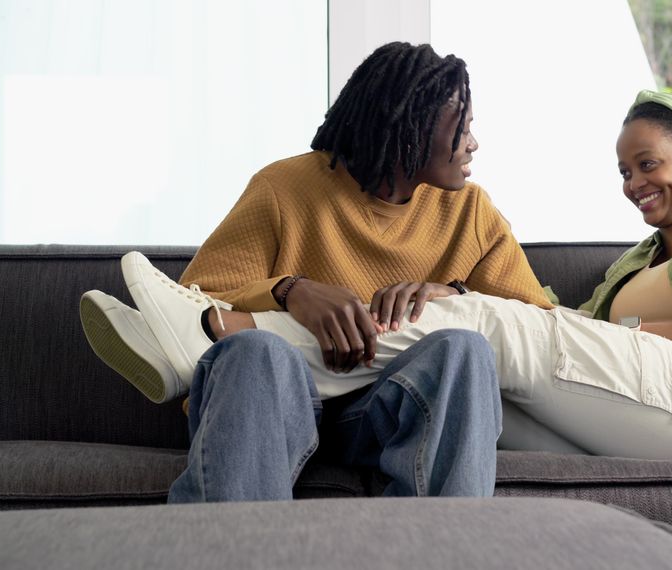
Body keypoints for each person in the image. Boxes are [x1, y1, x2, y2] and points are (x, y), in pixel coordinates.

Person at [87, 89, 672, 464]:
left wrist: (631, 331)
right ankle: (233, 359)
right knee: (465, 371)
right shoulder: (632, 262)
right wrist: (456, 292)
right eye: (624, 170)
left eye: (648, 164)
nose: (633, 183)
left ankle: (214, 334)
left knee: (483, 324)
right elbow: (558, 330)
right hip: (645, 411)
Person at [80, 41, 555, 502]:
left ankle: (444, 545)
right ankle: (228, 543)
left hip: (384, 413)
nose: (474, 143)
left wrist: (452, 293)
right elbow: (191, 305)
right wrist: (291, 291)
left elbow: (537, 328)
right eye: (462, 127)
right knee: (256, 351)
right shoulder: (283, 188)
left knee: (465, 349)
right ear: (412, 129)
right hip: (279, 404)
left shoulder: (470, 212)